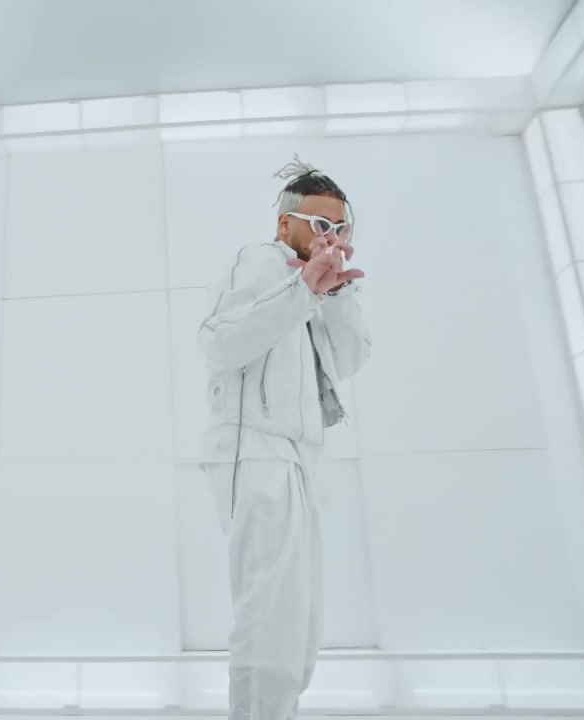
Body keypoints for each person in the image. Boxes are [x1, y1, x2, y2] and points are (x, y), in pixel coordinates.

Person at [197, 156, 371, 720]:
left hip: (300, 459)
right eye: (320, 225)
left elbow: (349, 360)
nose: (331, 237)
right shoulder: (260, 260)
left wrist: (331, 295)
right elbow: (220, 342)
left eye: (340, 228)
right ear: (284, 224)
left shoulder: (319, 287)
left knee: (303, 621)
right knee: (271, 614)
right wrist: (301, 290)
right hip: (254, 449)